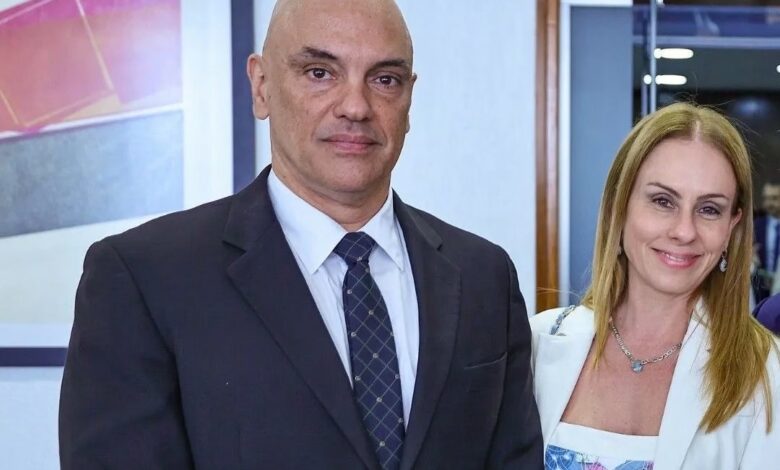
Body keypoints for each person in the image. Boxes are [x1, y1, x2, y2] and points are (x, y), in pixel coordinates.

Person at [58, 0, 543, 468]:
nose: (356, 106)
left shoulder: (484, 276)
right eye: (319, 73)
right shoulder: (145, 277)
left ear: (409, 98)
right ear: (261, 86)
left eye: (384, 79)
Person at [531, 102, 780, 469]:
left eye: (709, 209)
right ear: (619, 206)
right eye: (663, 201)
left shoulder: (766, 372)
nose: (684, 231)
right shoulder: (536, 344)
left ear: (732, 226)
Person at [753, 182, 780, 303]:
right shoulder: (756, 225)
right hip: (760, 291)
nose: (769, 203)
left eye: (774, 198)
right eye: (766, 198)